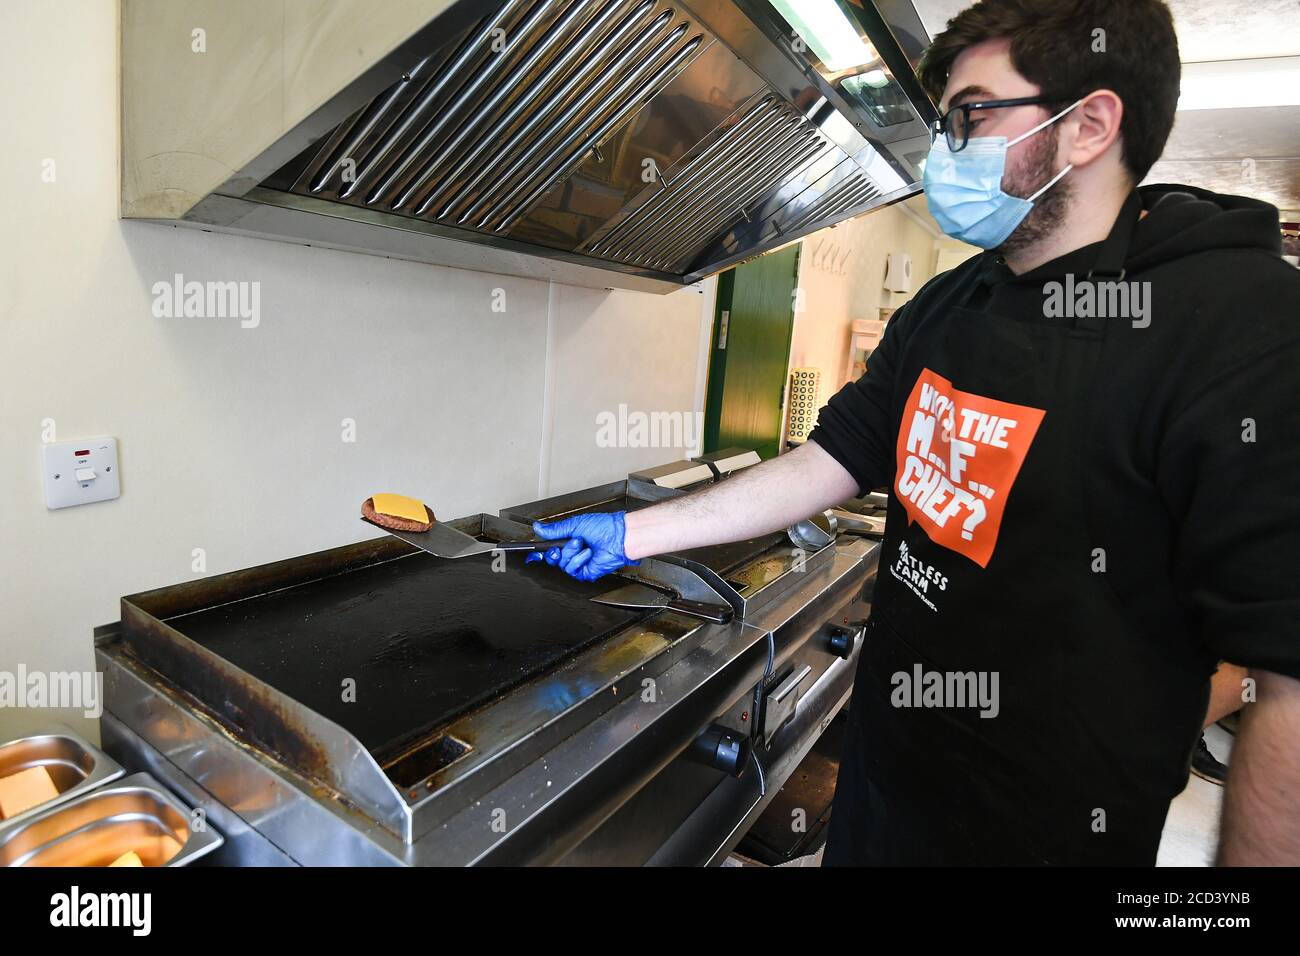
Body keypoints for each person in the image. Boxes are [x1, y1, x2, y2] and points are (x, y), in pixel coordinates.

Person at [529, 0, 1300, 865]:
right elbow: (826, 462)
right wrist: (634, 530)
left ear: (1089, 125)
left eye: (972, 114)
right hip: (882, 793)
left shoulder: (1236, 328)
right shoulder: (951, 305)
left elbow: (1288, 687)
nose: (946, 150)